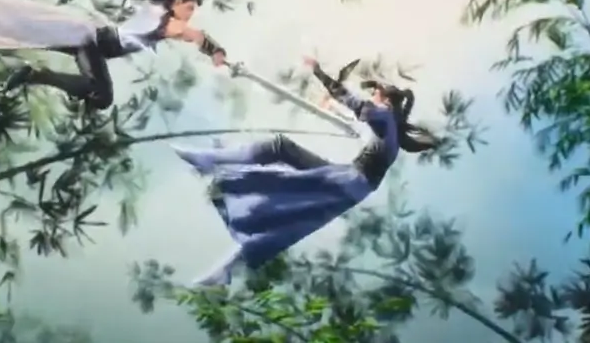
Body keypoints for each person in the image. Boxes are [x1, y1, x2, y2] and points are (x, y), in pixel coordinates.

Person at [170, 56, 440, 286]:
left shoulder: (385, 116)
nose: (373, 99)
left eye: (376, 95)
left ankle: (211, 162)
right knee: (284, 166)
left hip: (350, 180)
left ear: (386, 101)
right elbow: (370, 123)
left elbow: (356, 105)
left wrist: (319, 73)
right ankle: (228, 264)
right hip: (351, 181)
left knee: (285, 194)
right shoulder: (392, 130)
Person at [0, 0, 227, 110]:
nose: (190, 15)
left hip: (89, 37)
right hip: (94, 42)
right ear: (178, 2)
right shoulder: (171, 21)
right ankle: (34, 75)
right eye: (189, 8)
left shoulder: (159, 3)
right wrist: (216, 51)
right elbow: (196, 35)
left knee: (33, 26)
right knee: (102, 95)